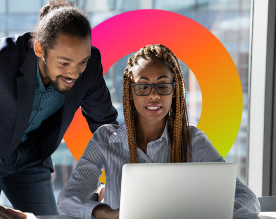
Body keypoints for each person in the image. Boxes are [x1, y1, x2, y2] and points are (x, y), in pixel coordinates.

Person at [0, 1, 118, 218]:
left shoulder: (90, 66)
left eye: (81, 62)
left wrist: (115, 180)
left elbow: (105, 126)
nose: (74, 73)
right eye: (64, 63)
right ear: (39, 49)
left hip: (30, 156)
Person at [57, 44, 261, 219]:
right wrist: (106, 213)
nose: (153, 95)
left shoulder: (192, 140)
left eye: (163, 86)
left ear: (175, 91)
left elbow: (247, 199)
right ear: (130, 92)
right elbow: (67, 200)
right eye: (143, 86)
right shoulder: (105, 139)